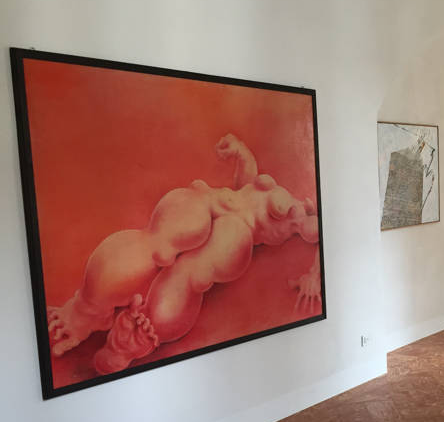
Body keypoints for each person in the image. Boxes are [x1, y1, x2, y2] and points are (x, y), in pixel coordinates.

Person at [47, 134, 321, 375]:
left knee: (193, 266)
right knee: (167, 232)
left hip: (238, 230)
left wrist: (314, 276)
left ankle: (135, 339)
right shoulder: (283, 192)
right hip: (218, 201)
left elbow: (327, 231)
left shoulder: (306, 222)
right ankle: (87, 310)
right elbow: (246, 188)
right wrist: (243, 156)